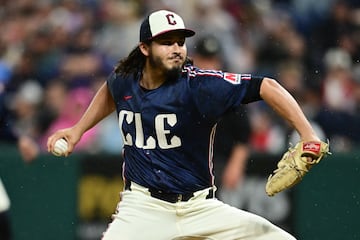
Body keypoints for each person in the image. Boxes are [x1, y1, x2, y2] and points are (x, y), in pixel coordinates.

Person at [47, 10, 322, 240]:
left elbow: (267, 86)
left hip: (200, 208)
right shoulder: (125, 78)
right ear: (145, 48)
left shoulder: (200, 86)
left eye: (180, 42)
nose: (177, 49)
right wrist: (78, 129)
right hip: (143, 207)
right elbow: (110, 91)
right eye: (167, 42)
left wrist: (307, 134)